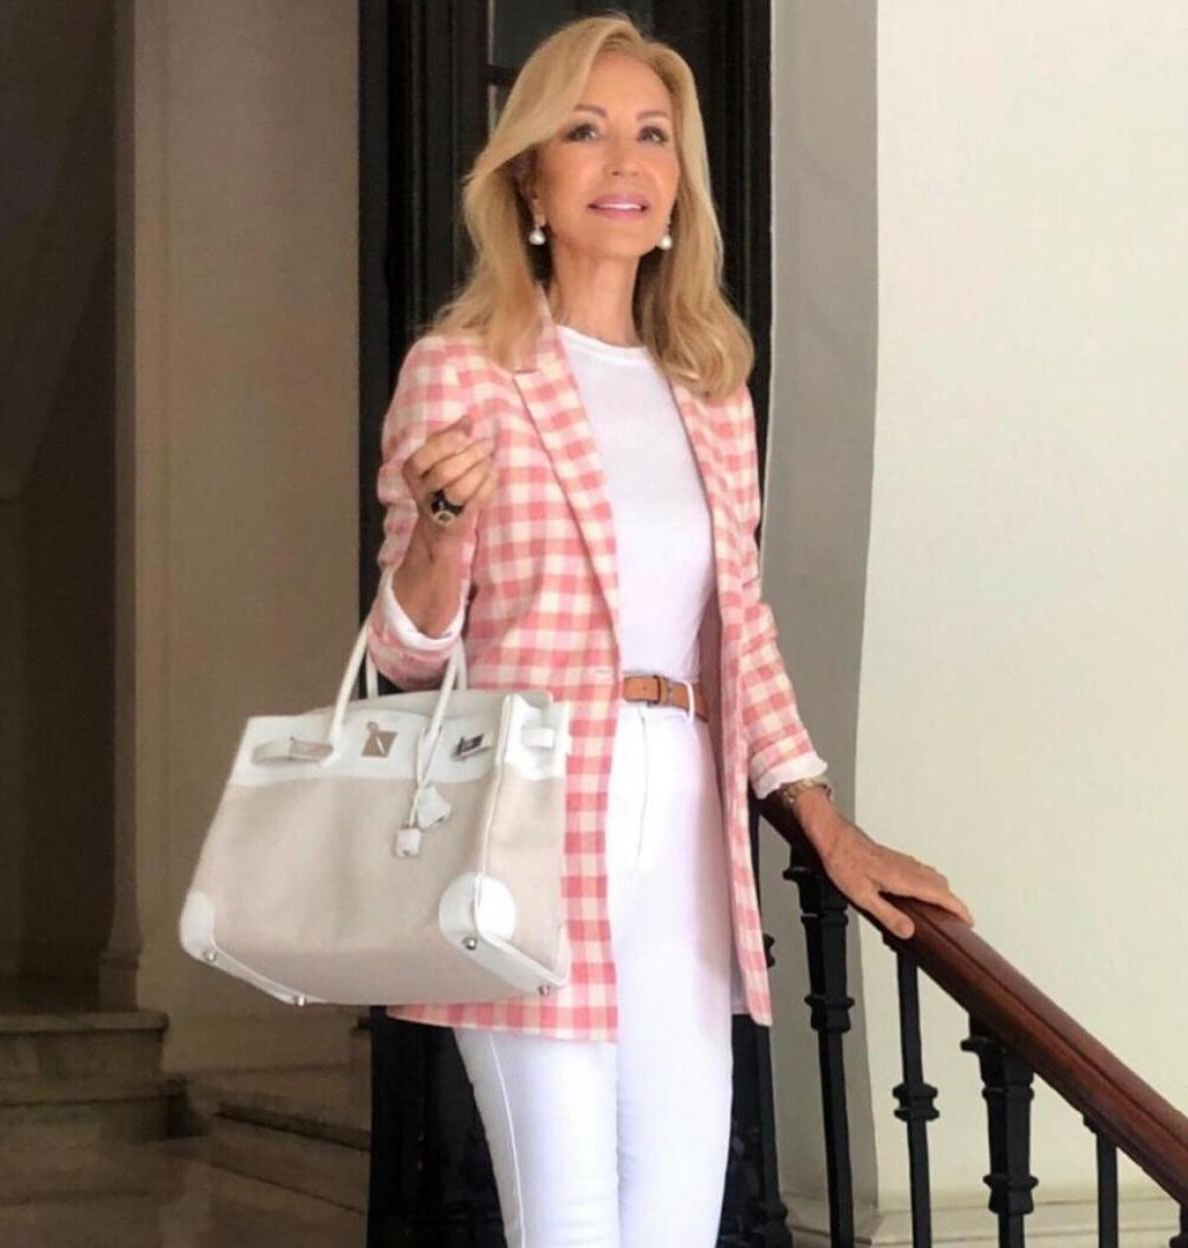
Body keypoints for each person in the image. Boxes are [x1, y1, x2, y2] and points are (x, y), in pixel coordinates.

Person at [365, 14, 974, 1247]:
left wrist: (818, 815)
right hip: (530, 824)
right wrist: (438, 525)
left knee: (680, 1222)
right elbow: (405, 655)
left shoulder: (710, 385)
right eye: (585, 132)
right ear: (530, 175)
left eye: (653, 134)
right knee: (571, 1225)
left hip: (686, 837)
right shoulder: (466, 368)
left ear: (680, 181)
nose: (625, 160)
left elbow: (736, 624)